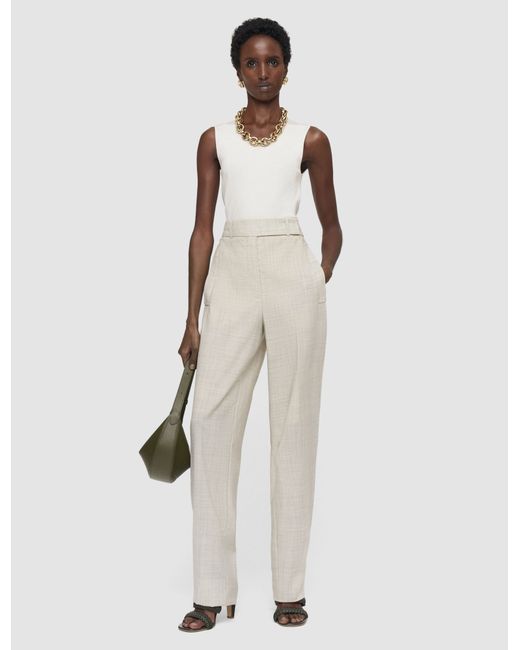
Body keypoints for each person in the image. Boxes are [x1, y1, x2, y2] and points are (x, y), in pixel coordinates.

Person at [177, 17, 342, 632]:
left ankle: (289, 591)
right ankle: (210, 593)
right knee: (210, 421)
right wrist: (191, 316)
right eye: (252, 62)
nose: (263, 72)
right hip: (232, 272)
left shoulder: (310, 139)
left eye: (273, 61)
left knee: (293, 426)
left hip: (292, 270)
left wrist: (316, 276)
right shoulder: (215, 139)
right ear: (237, 70)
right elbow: (201, 230)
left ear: (287, 68)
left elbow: (333, 225)